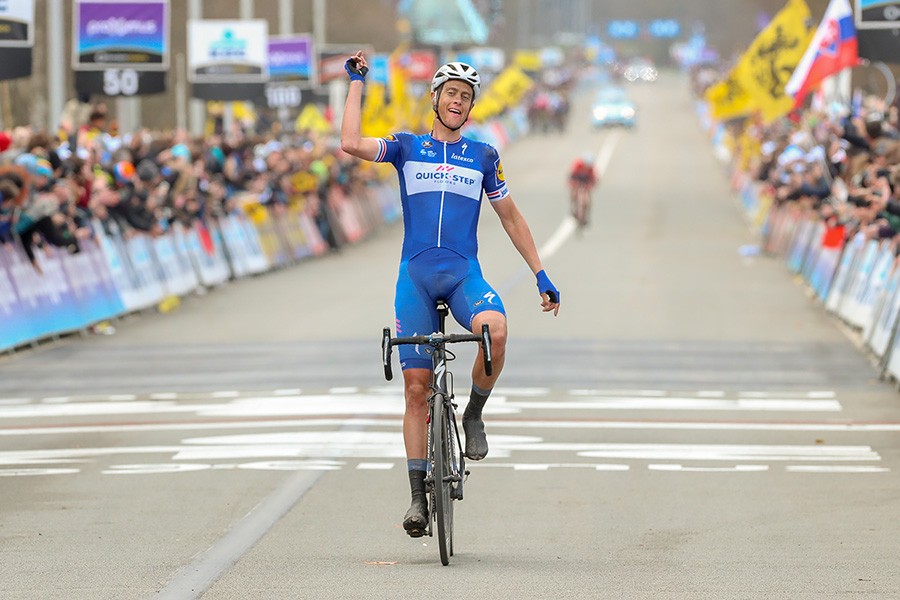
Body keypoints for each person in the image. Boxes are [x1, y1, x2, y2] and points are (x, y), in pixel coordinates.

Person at [340, 51, 560, 537]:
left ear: (471, 106)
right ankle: (418, 497)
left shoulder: (483, 156)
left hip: (463, 276)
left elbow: (510, 217)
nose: (458, 101)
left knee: (495, 330)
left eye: (466, 96)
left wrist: (540, 272)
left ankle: (475, 412)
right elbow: (350, 142)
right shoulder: (406, 146)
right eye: (451, 93)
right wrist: (357, 82)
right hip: (416, 279)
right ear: (435, 99)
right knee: (416, 388)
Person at [568, 154, 597, 225]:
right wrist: (572, 184)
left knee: (588, 197)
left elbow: (594, 180)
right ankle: (573, 205)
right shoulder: (578, 165)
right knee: (574, 191)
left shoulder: (591, 169)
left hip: (586, 180)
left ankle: (586, 213)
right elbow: (571, 176)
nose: (587, 167)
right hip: (577, 178)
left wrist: (590, 186)